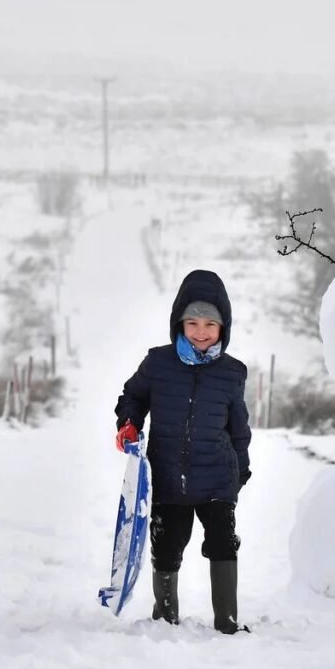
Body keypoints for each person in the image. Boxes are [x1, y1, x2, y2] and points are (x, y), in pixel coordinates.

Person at [115, 269, 252, 634]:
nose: (201, 331)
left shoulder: (232, 372)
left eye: (210, 323)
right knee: (167, 546)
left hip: (218, 478)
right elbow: (133, 396)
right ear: (179, 323)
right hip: (167, 474)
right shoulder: (158, 363)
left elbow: (239, 428)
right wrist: (128, 423)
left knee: (223, 543)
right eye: (192, 322)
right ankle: (165, 617)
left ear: (223, 327)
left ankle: (227, 621)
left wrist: (241, 470)